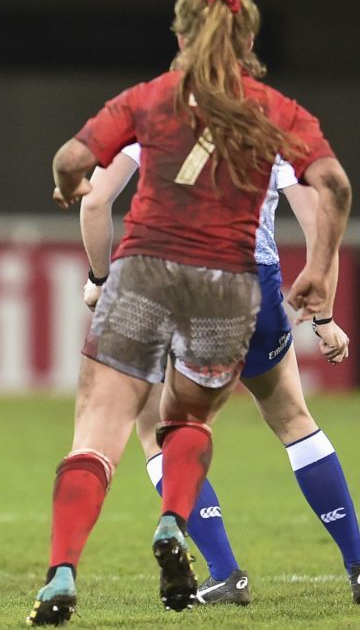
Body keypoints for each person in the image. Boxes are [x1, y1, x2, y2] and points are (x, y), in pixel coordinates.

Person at [27, 0, 351, 625]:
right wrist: (319, 282)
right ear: (250, 41)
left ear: (179, 36)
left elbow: (78, 171)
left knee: (108, 426)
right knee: (239, 418)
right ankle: (342, 557)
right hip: (233, 284)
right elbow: (332, 188)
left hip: (143, 275)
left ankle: (67, 567)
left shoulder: (150, 100)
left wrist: (71, 186)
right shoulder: (274, 110)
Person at [80, 143, 359, 607]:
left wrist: (101, 279)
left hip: (178, 284)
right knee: (293, 419)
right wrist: (324, 313)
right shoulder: (269, 128)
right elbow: (318, 219)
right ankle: (356, 563)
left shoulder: (151, 120)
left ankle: (225, 572)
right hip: (255, 283)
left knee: (158, 427)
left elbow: (93, 200)